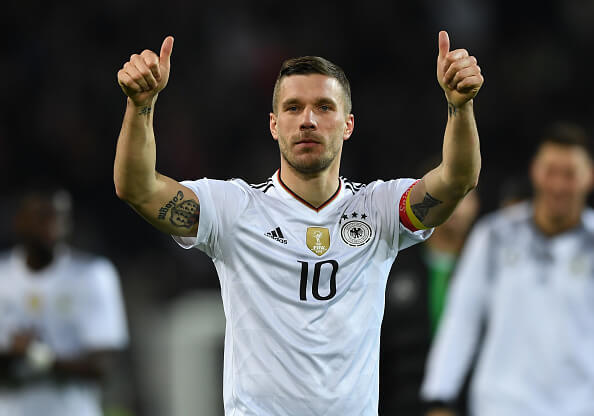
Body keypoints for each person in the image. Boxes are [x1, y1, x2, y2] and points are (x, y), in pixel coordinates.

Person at [114, 30, 483, 415]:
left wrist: (460, 107)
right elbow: (137, 188)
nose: (307, 120)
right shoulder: (234, 209)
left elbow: (457, 180)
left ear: (348, 125)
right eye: (293, 108)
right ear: (274, 125)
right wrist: (140, 106)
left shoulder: (380, 209)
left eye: (324, 107)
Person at [421, 122, 594, 416]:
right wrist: (440, 397)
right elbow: (463, 318)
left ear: (588, 177)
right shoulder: (494, 236)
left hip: (579, 405)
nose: (558, 185)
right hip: (502, 405)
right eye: (550, 171)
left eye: (569, 174)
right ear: (535, 171)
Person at [0, 188, 129, 416]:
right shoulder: (3, 277)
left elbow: (104, 365)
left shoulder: (93, 274)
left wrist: (37, 355)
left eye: (60, 217)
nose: (53, 225)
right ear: (19, 221)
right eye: (43, 216)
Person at [379, 188, 479, 414]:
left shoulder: (491, 270)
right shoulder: (391, 264)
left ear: (477, 205)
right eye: (439, 196)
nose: (452, 205)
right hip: (402, 402)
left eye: (463, 197)